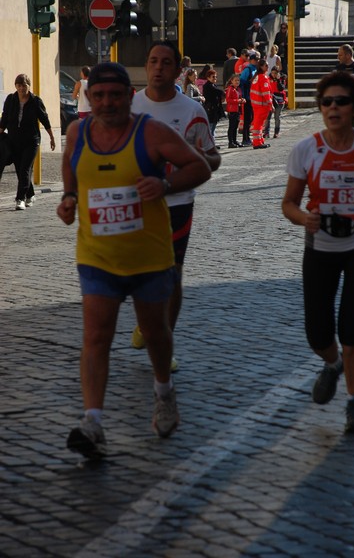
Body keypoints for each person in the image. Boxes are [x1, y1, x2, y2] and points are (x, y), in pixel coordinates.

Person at [57, 61, 212, 459]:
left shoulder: (151, 133)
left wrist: (164, 183)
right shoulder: (78, 131)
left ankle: (164, 392)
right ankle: (92, 423)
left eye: (115, 95)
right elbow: (70, 163)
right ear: (89, 99)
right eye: (99, 96)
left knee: (156, 333)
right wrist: (69, 197)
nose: (106, 103)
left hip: (148, 257)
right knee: (95, 336)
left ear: (129, 97)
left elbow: (200, 166)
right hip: (97, 256)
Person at [281, 70, 354, 434]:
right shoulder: (306, 150)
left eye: (341, 101)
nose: (333, 108)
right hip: (320, 249)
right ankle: (331, 365)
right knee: (318, 333)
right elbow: (288, 203)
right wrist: (304, 218)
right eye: (326, 102)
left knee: (352, 329)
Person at [131, 42, 221, 370]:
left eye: (165, 62)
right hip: (138, 204)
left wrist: (188, 157)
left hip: (178, 203)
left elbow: (213, 157)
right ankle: (147, 322)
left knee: (172, 276)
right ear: (146, 65)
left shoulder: (191, 111)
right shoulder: (131, 106)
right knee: (141, 274)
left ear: (176, 69)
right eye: (153, 61)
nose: (158, 68)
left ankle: (164, 340)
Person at [0, 73, 55, 210]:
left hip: (31, 141)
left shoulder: (35, 101)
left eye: (24, 85)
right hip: (14, 140)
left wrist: (52, 137)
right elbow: (5, 118)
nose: (21, 89)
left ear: (28, 86)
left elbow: (44, 119)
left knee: (25, 168)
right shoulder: (11, 99)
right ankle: (30, 194)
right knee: (20, 170)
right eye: (19, 85)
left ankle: (20, 199)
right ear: (16, 86)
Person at [249, 58, 272, 149]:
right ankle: (257, 142)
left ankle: (260, 140)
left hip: (256, 104)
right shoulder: (263, 77)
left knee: (258, 123)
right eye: (266, 65)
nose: (268, 67)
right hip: (262, 105)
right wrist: (271, 104)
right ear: (261, 67)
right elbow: (266, 93)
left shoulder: (257, 77)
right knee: (259, 124)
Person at [239, 52, 259, 146]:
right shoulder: (248, 69)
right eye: (255, 59)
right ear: (251, 60)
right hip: (248, 97)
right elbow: (242, 82)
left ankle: (247, 138)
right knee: (247, 119)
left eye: (258, 59)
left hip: (253, 97)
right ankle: (245, 138)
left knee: (251, 118)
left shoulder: (255, 69)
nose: (257, 61)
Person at [265, 67, 287, 139]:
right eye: (273, 73)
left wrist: (278, 80)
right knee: (268, 117)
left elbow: (281, 88)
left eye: (275, 73)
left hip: (279, 100)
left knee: (277, 117)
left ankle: (276, 132)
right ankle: (266, 132)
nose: (274, 75)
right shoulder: (268, 79)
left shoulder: (282, 79)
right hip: (271, 100)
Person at [203, 68, 225, 139]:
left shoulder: (213, 85)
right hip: (210, 109)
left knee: (213, 127)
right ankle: (209, 143)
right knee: (210, 127)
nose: (215, 78)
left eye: (216, 76)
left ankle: (212, 142)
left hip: (215, 109)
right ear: (208, 77)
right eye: (213, 77)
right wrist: (223, 93)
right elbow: (218, 92)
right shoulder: (208, 86)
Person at [225, 74, 245, 148]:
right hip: (232, 110)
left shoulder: (238, 89)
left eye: (238, 80)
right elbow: (228, 100)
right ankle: (231, 142)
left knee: (235, 126)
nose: (237, 82)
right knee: (232, 126)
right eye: (235, 80)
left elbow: (239, 97)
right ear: (232, 81)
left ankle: (234, 140)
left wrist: (242, 100)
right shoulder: (230, 89)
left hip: (237, 109)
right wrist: (238, 101)